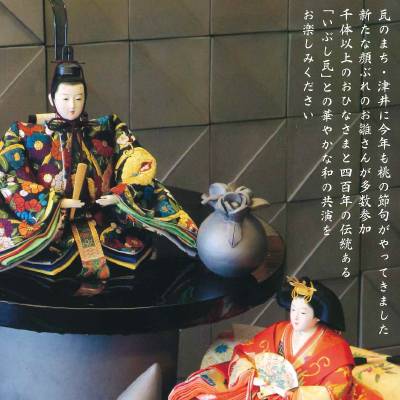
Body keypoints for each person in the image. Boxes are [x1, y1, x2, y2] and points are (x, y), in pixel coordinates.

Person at [0, 61, 197, 279]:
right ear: (51, 98)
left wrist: (119, 194)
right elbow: (7, 176)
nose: (72, 106)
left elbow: (135, 158)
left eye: (78, 98)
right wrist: (54, 202)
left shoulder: (105, 128)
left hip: (102, 216)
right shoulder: (25, 134)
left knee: (146, 210)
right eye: (65, 98)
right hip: (52, 223)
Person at [169, 276, 354, 400]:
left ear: (318, 316)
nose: (295, 317)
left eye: (303, 312)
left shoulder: (335, 347)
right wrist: (253, 377)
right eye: (293, 310)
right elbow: (247, 353)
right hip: (263, 389)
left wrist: (292, 393)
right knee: (205, 392)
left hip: (299, 395)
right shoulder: (281, 330)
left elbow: (336, 390)